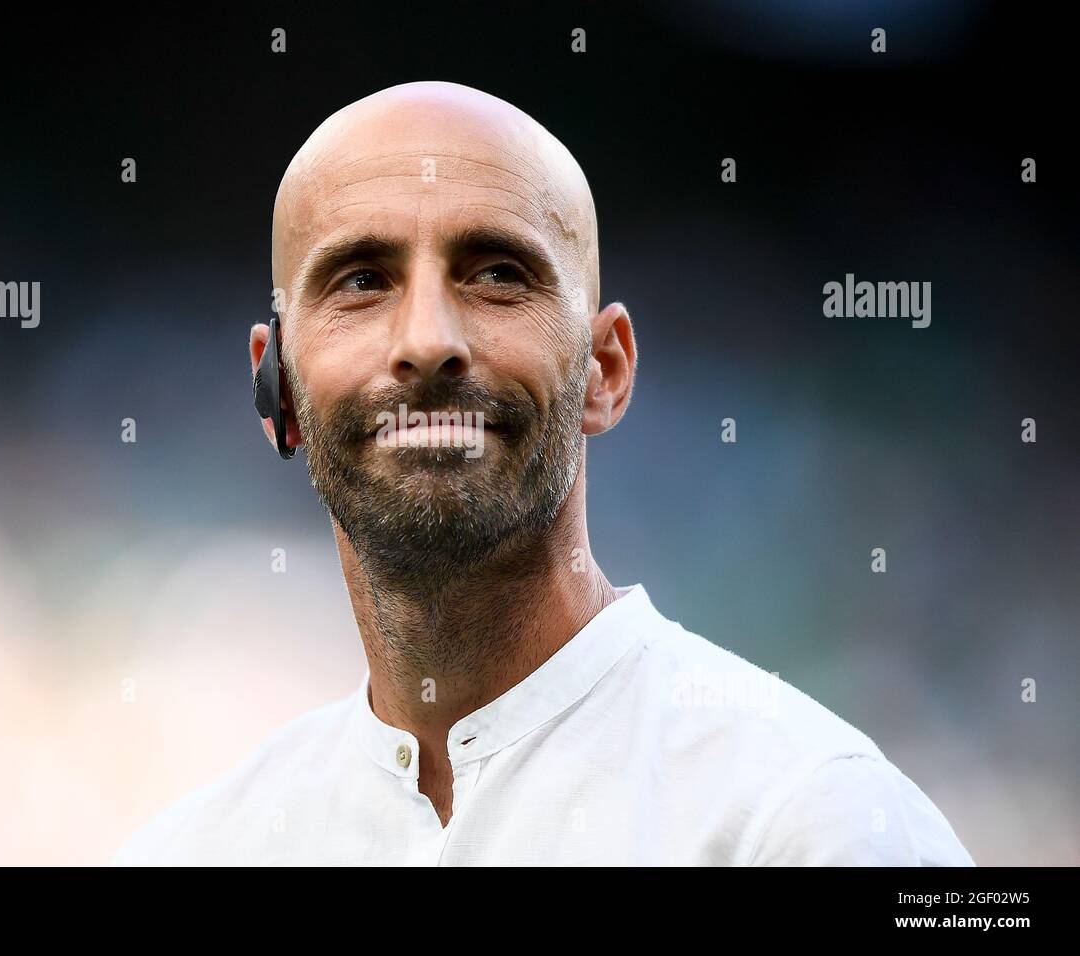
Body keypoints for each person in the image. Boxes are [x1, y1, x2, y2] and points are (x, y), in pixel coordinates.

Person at [113, 80, 974, 865]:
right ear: (280, 390)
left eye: (496, 274)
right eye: (363, 280)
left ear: (605, 369)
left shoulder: (812, 820)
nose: (427, 342)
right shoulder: (192, 850)